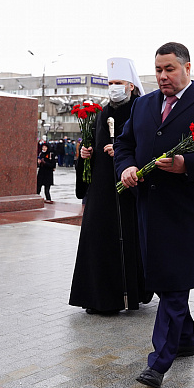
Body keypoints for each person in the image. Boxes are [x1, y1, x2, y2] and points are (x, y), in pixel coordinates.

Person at [114, 42, 194, 388]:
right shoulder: (142, 105)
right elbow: (125, 144)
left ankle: (159, 362)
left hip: (185, 212)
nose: (162, 76)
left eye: (169, 69)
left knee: (174, 284)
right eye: (158, 70)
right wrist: (126, 166)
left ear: (186, 68)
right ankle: (184, 341)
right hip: (148, 209)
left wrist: (188, 164)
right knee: (164, 281)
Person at [70, 57, 151, 315]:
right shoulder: (103, 112)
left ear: (131, 85)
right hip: (101, 190)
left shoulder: (141, 109)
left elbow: (148, 148)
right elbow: (93, 144)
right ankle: (96, 297)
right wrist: (86, 153)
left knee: (127, 240)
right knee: (96, 239)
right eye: (111, 82)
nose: (114, 87)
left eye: (119, 82)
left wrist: (125, 154)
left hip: (127, 191)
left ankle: (126, 296)